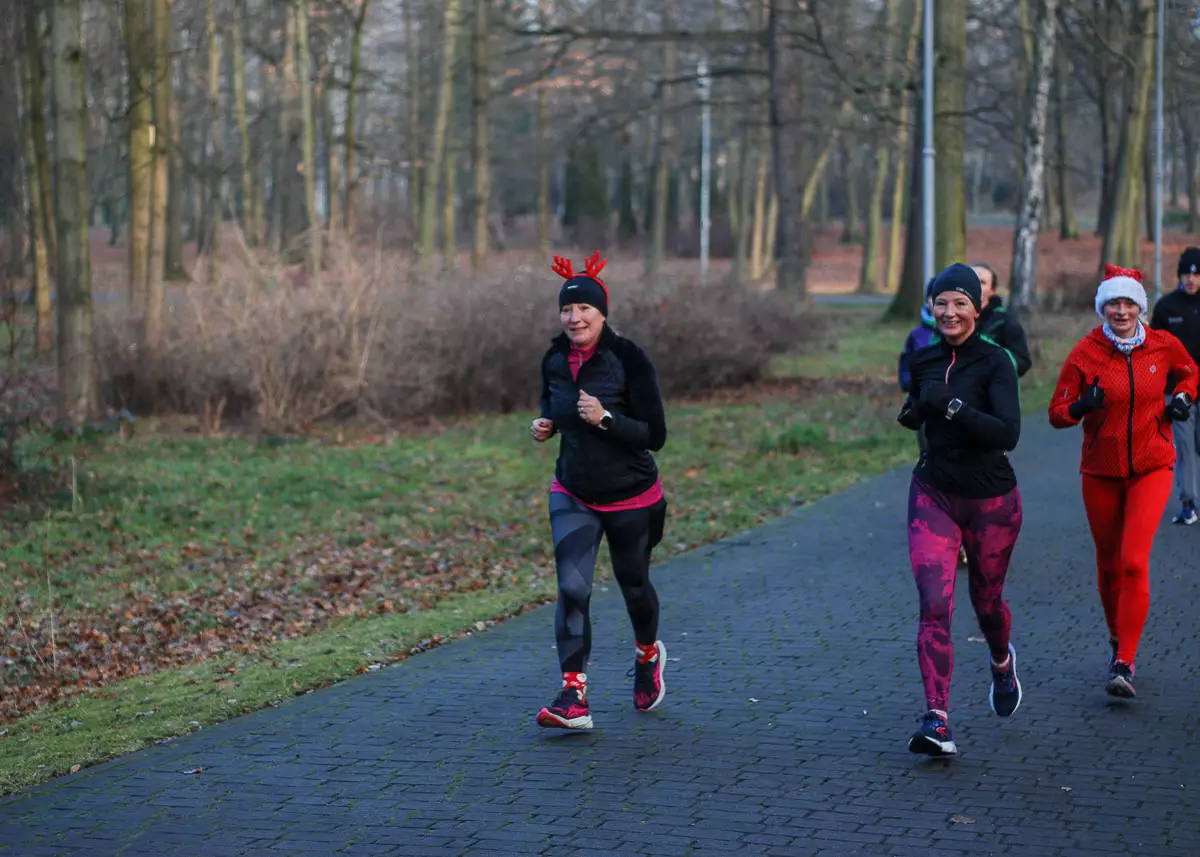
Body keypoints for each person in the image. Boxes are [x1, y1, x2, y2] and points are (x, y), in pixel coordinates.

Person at [530, 251, 670, 730]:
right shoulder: (554, 359)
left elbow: (656, 434)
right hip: (573, 490)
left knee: (634, 586)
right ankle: (574, 696)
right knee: (572, 589)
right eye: (567, 310)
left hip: (631, 493)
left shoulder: (629, 358)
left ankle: (648, 654)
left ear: (602, 312)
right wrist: (546, 425)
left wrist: (606, 418)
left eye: (584, 309)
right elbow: (553, 406)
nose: (574, 317)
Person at [1049, 264, 1199, 699]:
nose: (1121, 310)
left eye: (1128, 302)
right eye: (1113, 302)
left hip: (1152, 464)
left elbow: (1191, 372)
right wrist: (1081, 407)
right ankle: (1117, 634)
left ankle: (1124, 662)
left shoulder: (1162, 344)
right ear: (1103, 306)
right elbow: (1056, 414)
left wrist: (1184, 397)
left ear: (1140, 306)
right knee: (1109, 563)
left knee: (1134, 560)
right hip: (1100, 471)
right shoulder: (1085, 353)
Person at [897, 262, 1024, 758]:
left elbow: (1007, 432)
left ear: (978, 306)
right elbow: (916, 409)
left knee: (987, 603)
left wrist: (951, 407)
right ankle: (938, 719)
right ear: (930, 308)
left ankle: (1000, 660)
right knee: (933, 604)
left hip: (992, 499)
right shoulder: (924, 358)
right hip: (934, 492)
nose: (949, 311)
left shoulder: (996, 363)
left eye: (959, 302)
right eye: (941, 303)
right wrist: (914, 411)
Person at [1149, 246, 1200, 525]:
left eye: (1196, 274)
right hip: (1178, 389)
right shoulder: (1167, 307)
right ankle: (1188, 503)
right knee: (1183, 445)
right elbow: (1153, 349)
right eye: (1186, 274)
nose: (1190, 279)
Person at [973, 263, 1033, 378]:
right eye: (971, 280)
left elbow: (1022, 361)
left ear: (992, 291)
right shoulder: (950, 317)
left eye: (982, 282)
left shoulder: (1004, 321)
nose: (975, 285)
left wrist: (990, 364)